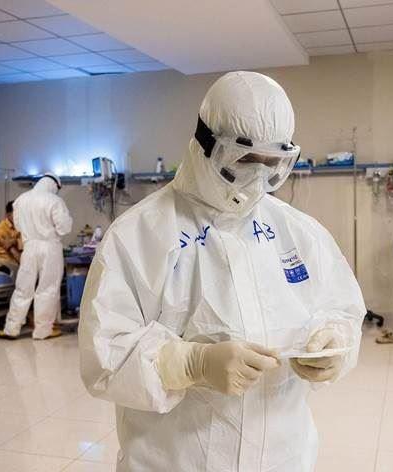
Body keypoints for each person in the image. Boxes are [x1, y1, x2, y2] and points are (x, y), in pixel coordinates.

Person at [78, 71, 366, 472]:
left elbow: (341, 310)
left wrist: (334, 345)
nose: (258, 177)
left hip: (284, 458)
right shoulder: (139, 234)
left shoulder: (298, 231)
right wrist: (190, 364)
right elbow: (104, 356)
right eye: (245, 159)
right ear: (205, 145)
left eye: (273, 163)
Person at [0, 173, 72, 340]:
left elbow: (17, 226)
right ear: (54, 185)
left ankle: (11, 328)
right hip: (50, 247)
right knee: (47, 289)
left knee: (22, 288)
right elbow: (64, 228)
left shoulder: (20, 200)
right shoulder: (54, 200)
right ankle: (43, 331)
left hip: (29, 247)